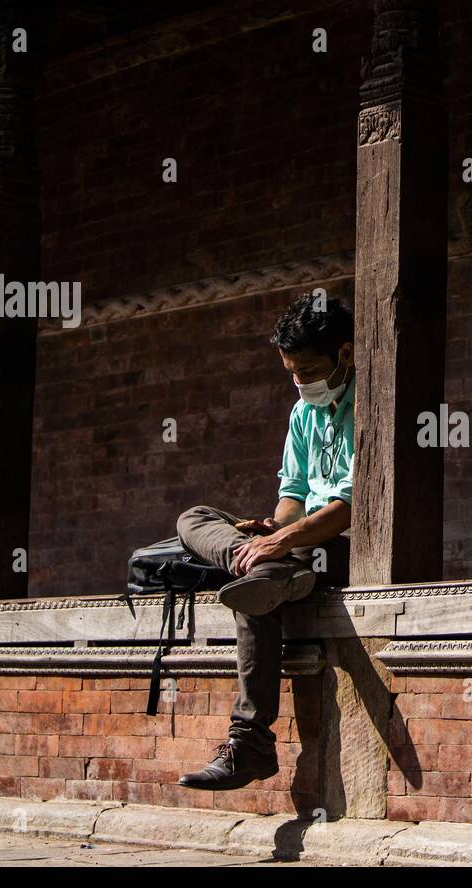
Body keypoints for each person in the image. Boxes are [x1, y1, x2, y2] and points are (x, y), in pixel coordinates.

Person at [174, 293, 355, 790]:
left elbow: (354, 504)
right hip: (295, 549)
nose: (301, 382)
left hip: (343, 545)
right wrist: (271, 533)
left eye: (309, 370)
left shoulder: (372, 403)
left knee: (266, 580)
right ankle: (254, 565)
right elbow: (292, 496)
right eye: (291, 372)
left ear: (346, 353)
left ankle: (250, 742)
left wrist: (288, 539)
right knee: (195, 518)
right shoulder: (303, 414)